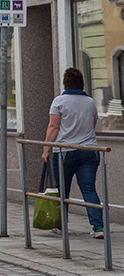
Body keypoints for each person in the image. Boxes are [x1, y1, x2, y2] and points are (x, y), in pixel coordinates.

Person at [42, 67, 103, 238]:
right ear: (82, 83)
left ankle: (61, 225)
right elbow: (92, 125)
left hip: (64, 151)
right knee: (89, 189)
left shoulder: (59, 101)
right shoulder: (90, 102)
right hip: (89, 151)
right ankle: (98, 227)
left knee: (63, 190)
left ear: (65, 83)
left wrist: (46, 149)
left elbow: (54, 126)